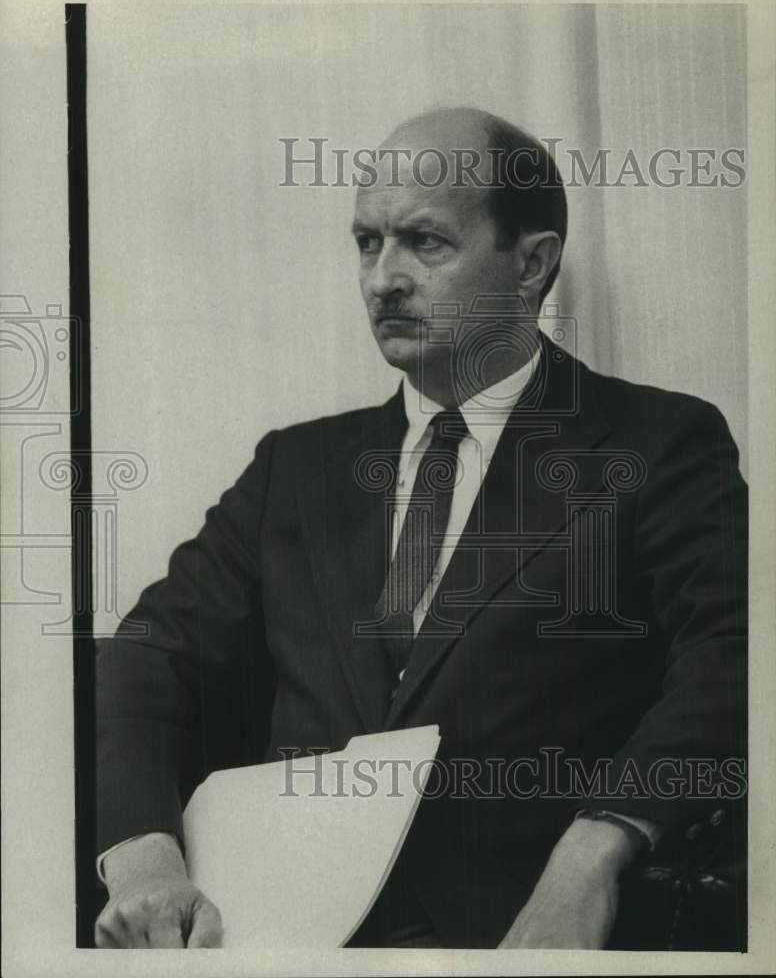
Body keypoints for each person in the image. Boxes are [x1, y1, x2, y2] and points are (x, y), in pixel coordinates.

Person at [94, 107, 747, 950]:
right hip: (272, 934)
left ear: (533, 264)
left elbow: (737, 653)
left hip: (516, 931)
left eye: (424, 243)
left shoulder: (654, 443)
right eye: (367, 242)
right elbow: (149, 653)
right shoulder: (294, 471)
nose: (382, 279)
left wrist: (594, 855)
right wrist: (143, 854)